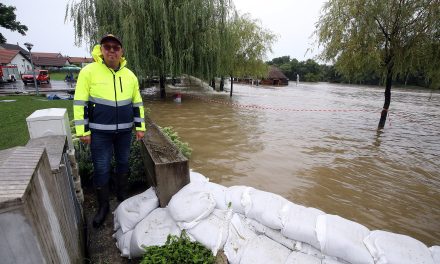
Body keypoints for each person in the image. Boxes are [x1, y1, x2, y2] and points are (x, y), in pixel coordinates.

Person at [73, 34, 146, 228]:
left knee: (123, 164)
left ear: (122, 51)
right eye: (107, 47)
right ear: (101, 50)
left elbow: (137, 103)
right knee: (102, 169)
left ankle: (122, 196)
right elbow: (80, 102)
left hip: (124, 133)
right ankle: (103, 206)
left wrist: (140, 127)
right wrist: (83, 130)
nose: (112, 50)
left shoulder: (130, 75)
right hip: (99, 134)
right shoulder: (88, 72)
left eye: (116, 47)